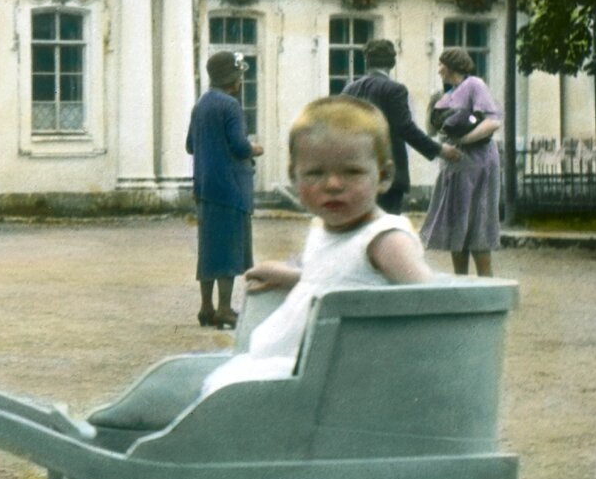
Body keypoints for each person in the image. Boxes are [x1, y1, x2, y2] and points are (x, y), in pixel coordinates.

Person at [201, 95, 434, 397]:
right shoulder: (323, 228)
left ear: (384, 176)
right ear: (294, 178)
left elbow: (434, 303)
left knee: (226, 395)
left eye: (352, 171)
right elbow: (342, 279)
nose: (333, 184)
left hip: (337, 379)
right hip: (296, 365)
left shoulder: (385, 239)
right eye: (315, 173)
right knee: (219, 386)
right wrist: (294, 277)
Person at [186, 50, 264, 328]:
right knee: (229, 250)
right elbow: (240, 146)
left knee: (209, 249)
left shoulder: (201, 104)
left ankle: (206, 308)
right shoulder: (230, 105)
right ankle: (224, 309)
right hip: (231, 188)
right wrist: (256, 148)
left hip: (205, 187)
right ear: (233, 78)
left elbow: (190, 146)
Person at [341, 38, 461, 212]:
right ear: (392, 62)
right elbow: (405, 128)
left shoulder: (349, 90)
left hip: (355, 173)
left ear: (367, 61)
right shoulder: (394, 90)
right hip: (387, 176)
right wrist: (440, 150)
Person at [420, 48, 503, 277]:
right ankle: (461, 283)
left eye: (442, 64)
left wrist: (463, 140)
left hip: (477, 162)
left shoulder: (475, 84)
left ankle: (486, 286)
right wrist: (434, 107)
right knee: (458, 227)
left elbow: (492, 121)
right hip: (455, 166)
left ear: (453, 65)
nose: (438, 70)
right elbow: (432, 129)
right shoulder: (447, 93)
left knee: (478, 225)